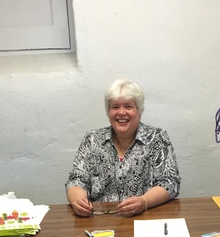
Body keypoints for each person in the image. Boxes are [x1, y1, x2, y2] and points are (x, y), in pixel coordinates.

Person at [66, 79, 181, 217]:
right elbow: (76, 180)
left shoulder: (157, 138)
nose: (121, 112)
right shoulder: (91, 139)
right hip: (100, 220)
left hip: (145, 218)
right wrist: (78, 201)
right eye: (115, 107)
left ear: (139, 111)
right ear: (108, 111)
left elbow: (170, 182)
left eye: (128, 106)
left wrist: (144, 202)